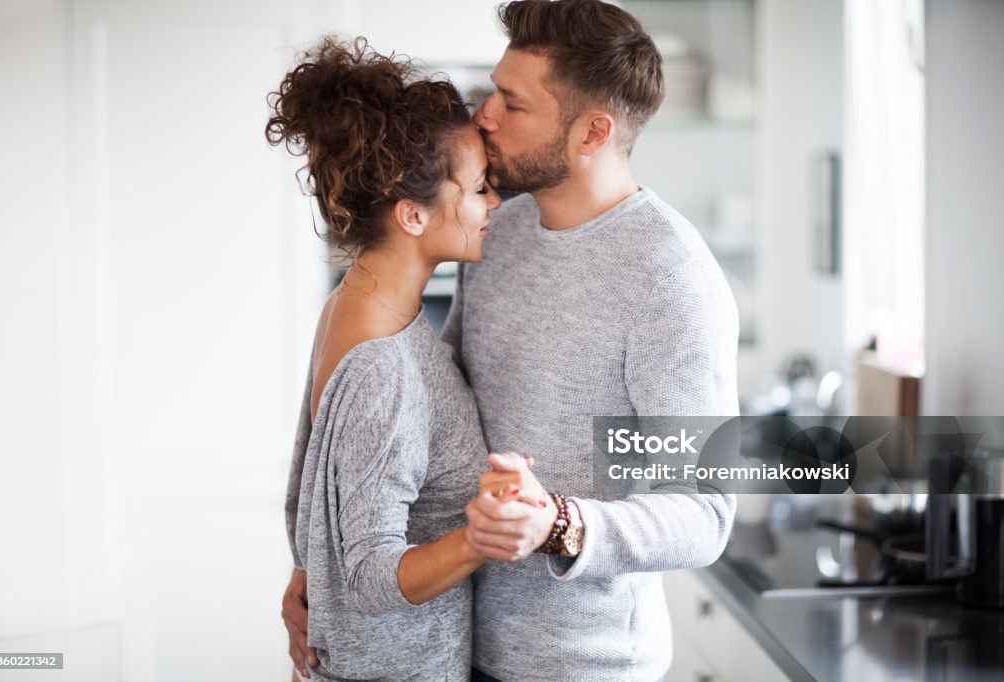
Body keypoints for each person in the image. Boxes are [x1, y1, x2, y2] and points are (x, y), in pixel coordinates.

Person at [284, 0, 740, 678]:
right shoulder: (500, 231)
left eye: (511, 103)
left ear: (592, 133)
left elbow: (705, 511)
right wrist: (320, 565)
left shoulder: (670, 279)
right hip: (456, 639)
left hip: (581, 663)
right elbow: (438, 408)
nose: (484, 115)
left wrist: (561, 523)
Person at [269, 36, 519, 681]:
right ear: (412, 214)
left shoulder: (353, 308)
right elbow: (373, 579)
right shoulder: (383, 363)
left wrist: (308, 571)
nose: (493, 203)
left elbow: (313, 495)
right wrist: (480, 537)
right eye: (478, 187)